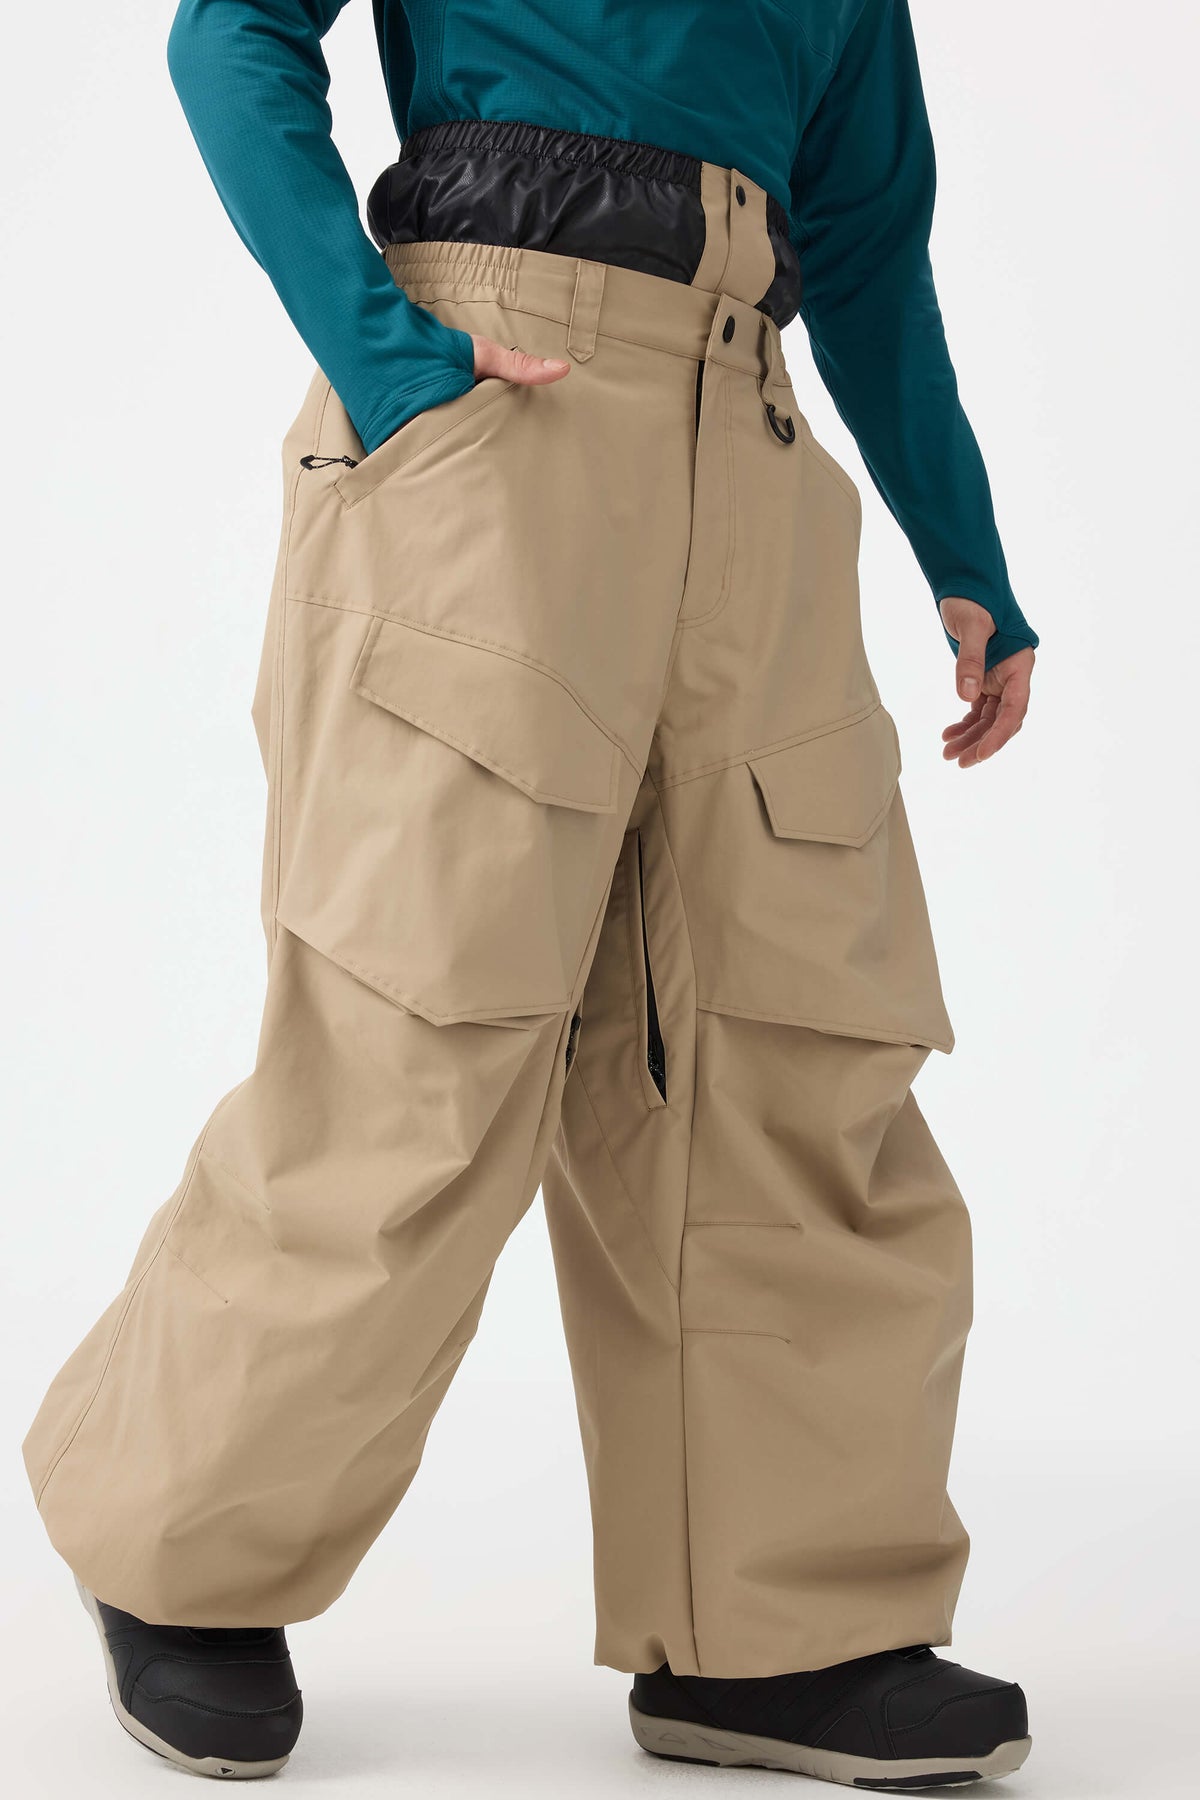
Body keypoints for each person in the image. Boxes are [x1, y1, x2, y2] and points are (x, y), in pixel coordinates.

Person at [23, 0, 1038, 1787]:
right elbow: (229, 35)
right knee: (421, 1034)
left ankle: (774, 1636)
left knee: (791, 1054)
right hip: (497, 405)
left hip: (752, 435)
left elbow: (871, 232)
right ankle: (178, 1549)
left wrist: (963, 548)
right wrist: (391, 364)